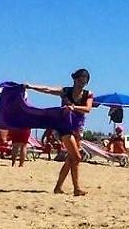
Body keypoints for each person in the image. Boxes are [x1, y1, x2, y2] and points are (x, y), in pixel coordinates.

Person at [25, 68, 94, 196]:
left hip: (78, 128)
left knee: (71, 159)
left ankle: (58, 187)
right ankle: (77, 188)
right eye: (80, 80)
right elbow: (47, 89)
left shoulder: (88, 94)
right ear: (75, 79)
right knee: (77, 157)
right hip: (64, 127)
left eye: (84, 81)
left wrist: (73, 107)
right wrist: (30, 86)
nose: (82, 83)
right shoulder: (65, 91)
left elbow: (88, 109)